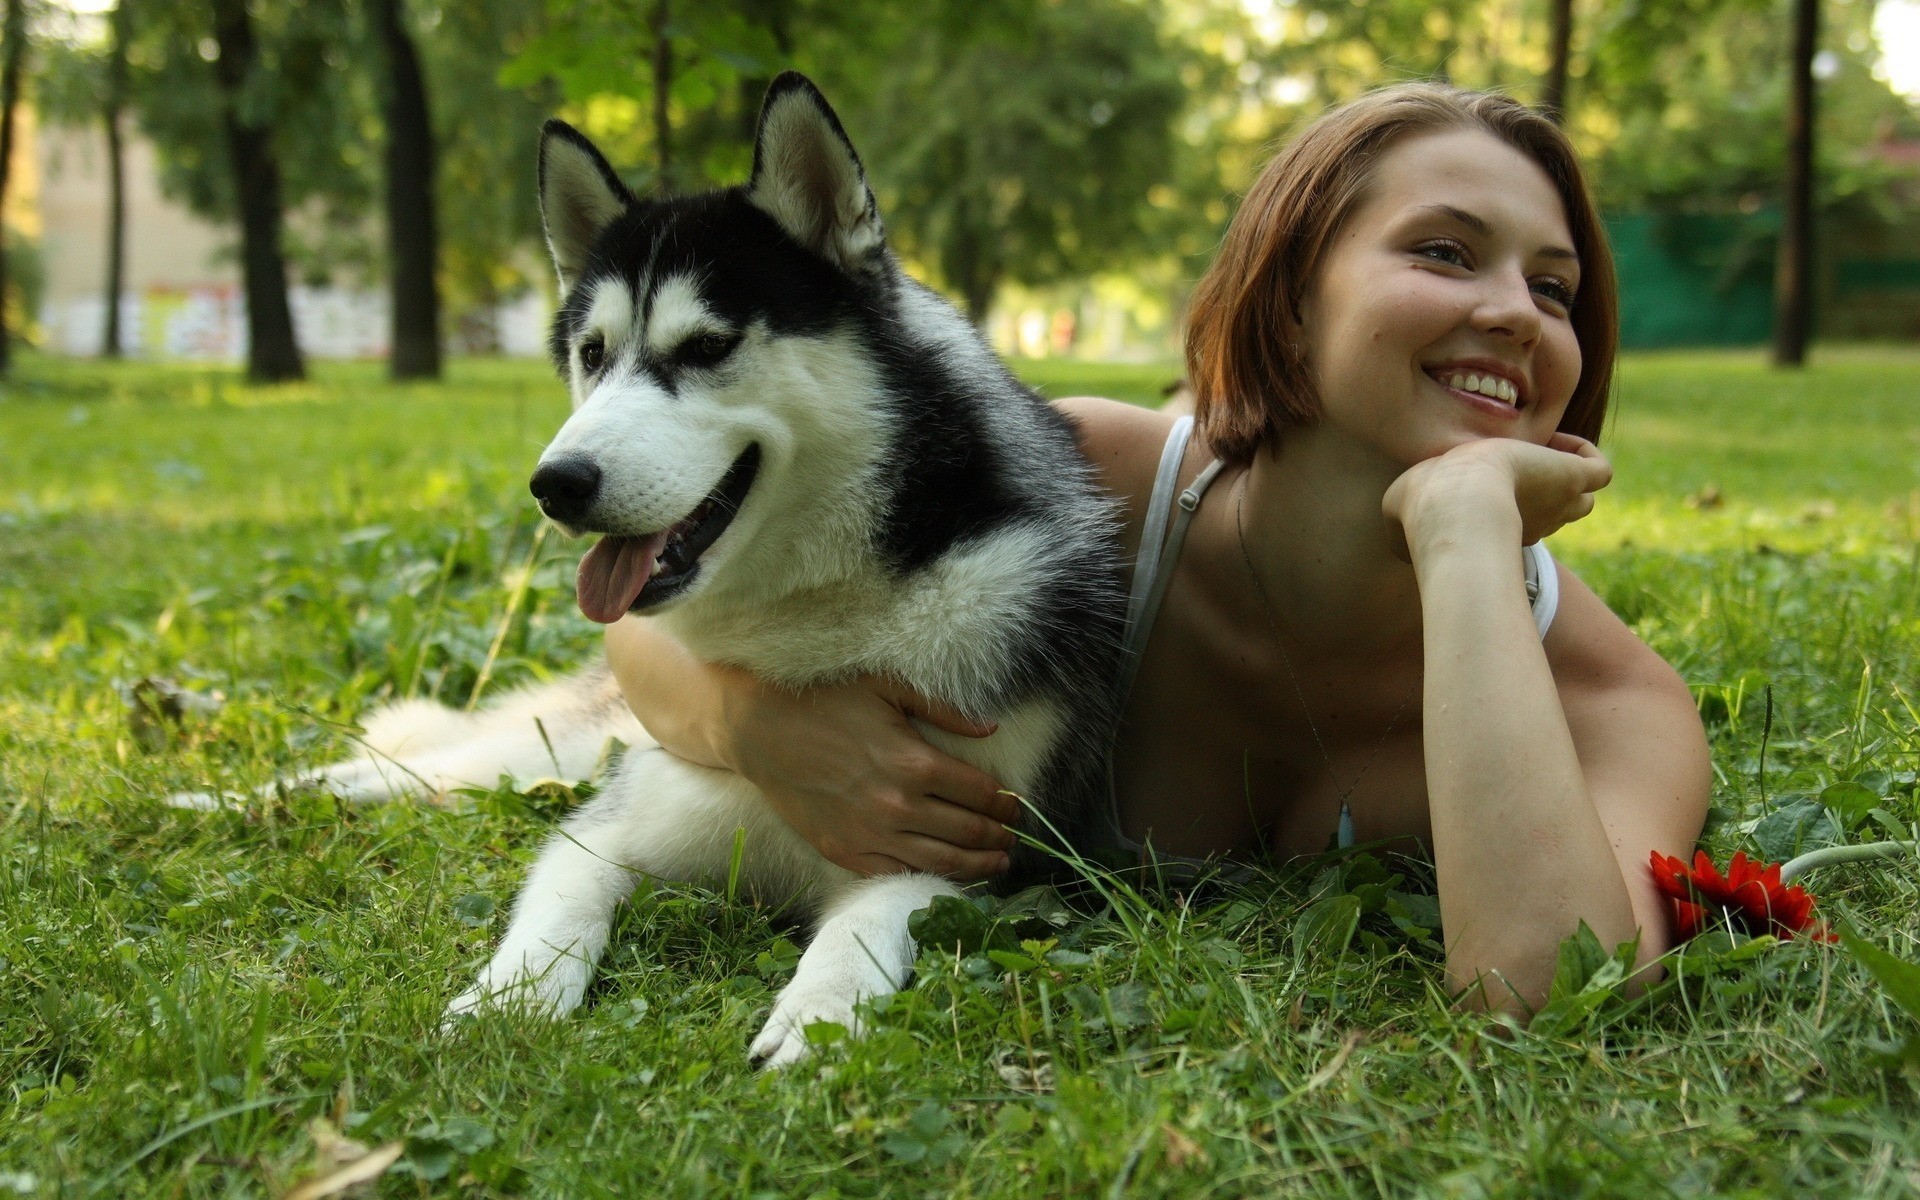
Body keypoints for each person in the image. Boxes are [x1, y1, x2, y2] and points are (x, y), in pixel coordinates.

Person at [601, 83, 1711, 1014]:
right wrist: (756, 726)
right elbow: (645, 635)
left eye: (1554, 288)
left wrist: (1465, 531)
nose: (1518, 311)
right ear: (1285, 304)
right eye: (1445, 250)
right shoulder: (1085, 476)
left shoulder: (1611, 697)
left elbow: (1544, 991)